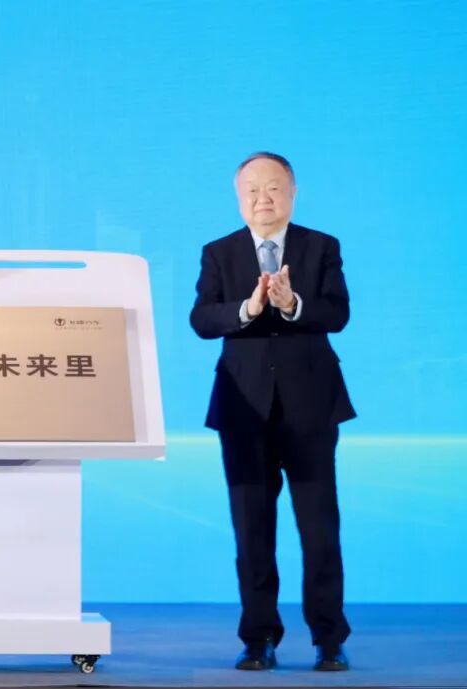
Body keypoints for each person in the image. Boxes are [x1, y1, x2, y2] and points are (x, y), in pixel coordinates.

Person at [189, 152, 354, 672]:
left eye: (274, 188)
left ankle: (329, 637)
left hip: (310, 406)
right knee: (252, 530)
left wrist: (291, 304)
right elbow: (201, 319)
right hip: (244, 409)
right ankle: (258, 638)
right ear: (239, 198)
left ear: (293, 192)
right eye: (252, 190)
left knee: (319, 529)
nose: (263, 198)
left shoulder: (321, 246)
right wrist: (249, 309)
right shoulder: (219, 252)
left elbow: (338, 313)